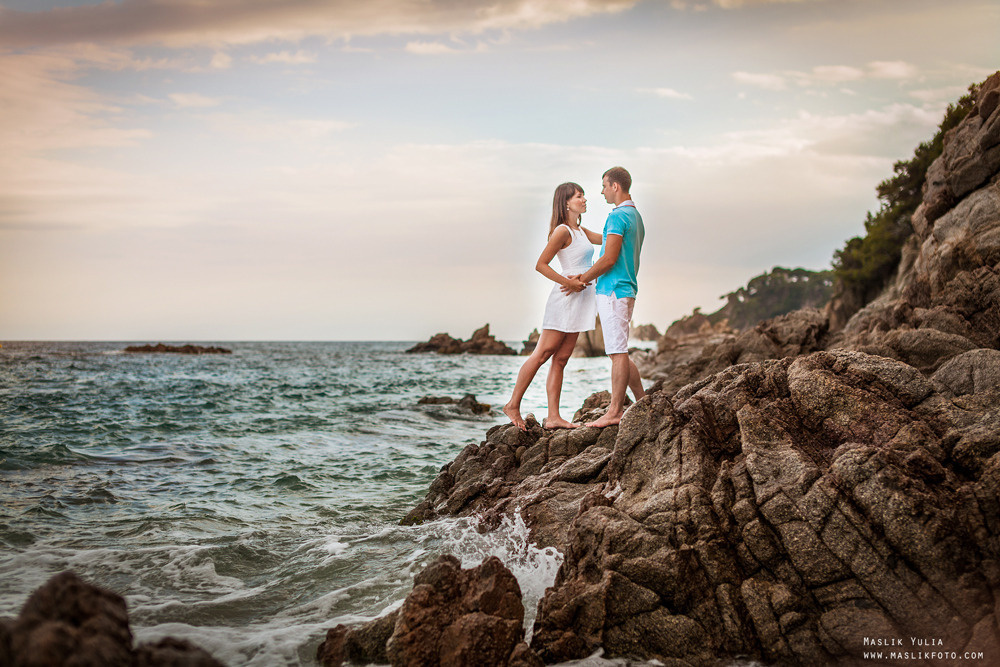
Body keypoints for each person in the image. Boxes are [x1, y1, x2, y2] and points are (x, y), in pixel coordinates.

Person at [503, 182, 603, 431]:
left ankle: (554, 417)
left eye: (584, 196)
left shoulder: (581, 230)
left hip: (582, 299)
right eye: (580, 196)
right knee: (543, 353)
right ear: (567, 202)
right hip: (565, 298)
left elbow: (609, 240)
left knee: (561, 359)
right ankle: (513, 405)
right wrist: (567, 282)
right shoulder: (561, 231)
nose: (585, 199)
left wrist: (623, 223)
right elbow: (541, 264)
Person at [563, 166, 645, 427]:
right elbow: (612, 246)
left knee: (618, 352)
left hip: (613, 291)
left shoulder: (617, 217)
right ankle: (643, 400)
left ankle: (614, 412)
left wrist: (582, 279)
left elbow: (609, 258)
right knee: (620, 350)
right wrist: (580, 231)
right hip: (625, 288)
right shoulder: (635, 216)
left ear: (615, 187)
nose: (601, 191)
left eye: (604, 186)